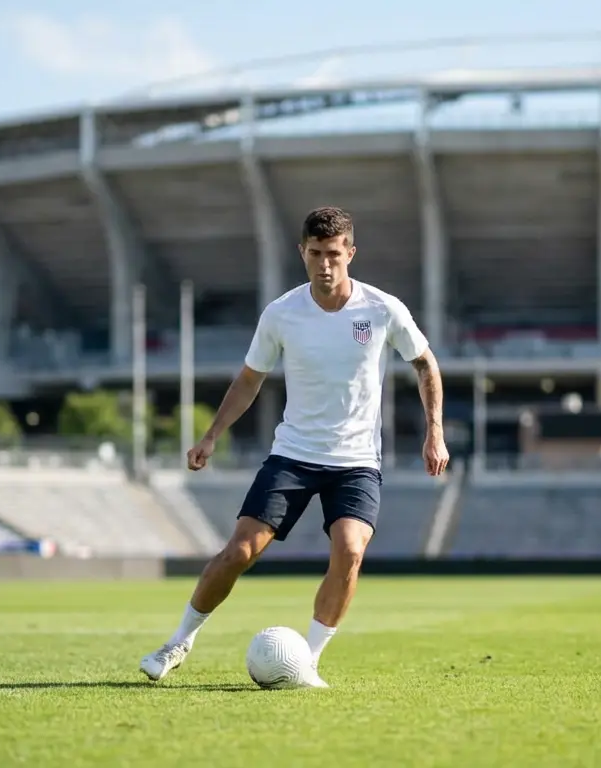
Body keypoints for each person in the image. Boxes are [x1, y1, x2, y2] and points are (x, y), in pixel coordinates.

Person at [139, 206, 448, 688]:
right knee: (240, 551)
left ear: (350, 254)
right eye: (315, 254)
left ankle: (309, 661)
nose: (325, 265)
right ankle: (178, 641)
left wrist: (435, 431)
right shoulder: (282, 313)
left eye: (334, 255)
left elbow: (426, 364)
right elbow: (248, 380)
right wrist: (211, 435)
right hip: (294, 455)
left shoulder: (383, 309)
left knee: (349, 550)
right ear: (301, 252)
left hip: (356, 462)